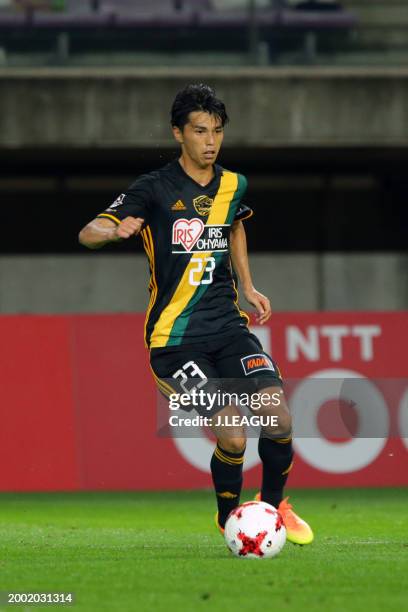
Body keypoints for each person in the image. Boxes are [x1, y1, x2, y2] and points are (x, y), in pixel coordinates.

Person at [79, 83, 313, 545]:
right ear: (178, 133)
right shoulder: (154, 188)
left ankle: (273, 508)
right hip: (174, 342)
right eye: (200, 131)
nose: (211, 141)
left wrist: (246, 284)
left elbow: (235, 226)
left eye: (218, 132)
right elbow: (89, 230)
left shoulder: (232, 184)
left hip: (228, 329)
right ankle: (230, 520)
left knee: (279, 418)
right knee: (231, 433)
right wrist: (110, 232)